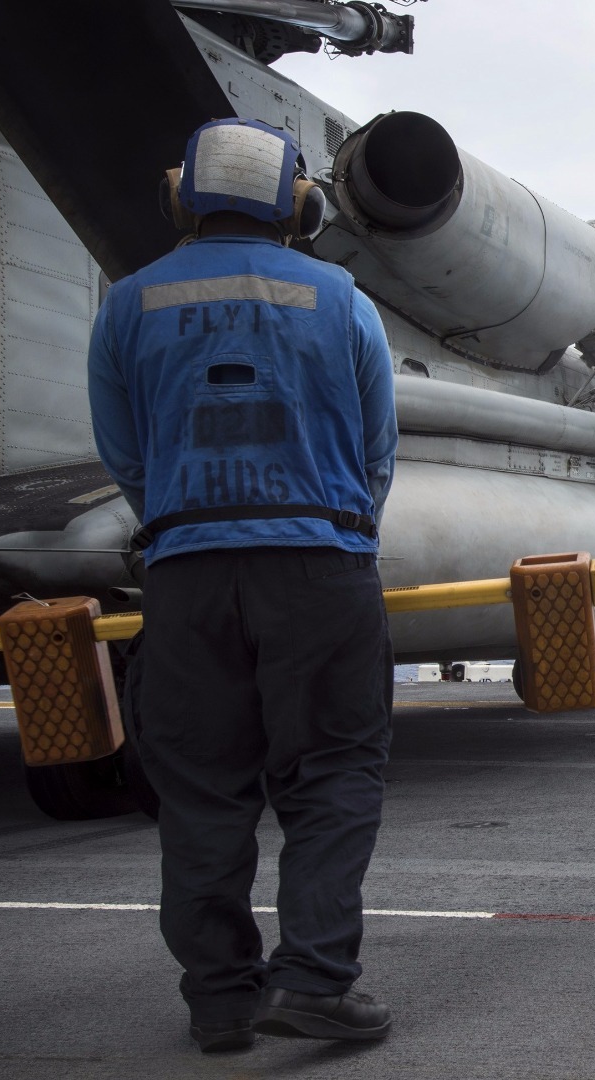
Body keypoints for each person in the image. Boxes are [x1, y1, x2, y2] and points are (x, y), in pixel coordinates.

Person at [88, 118, 399, 1052]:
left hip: (185, 571)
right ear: (298, 205)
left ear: (180, 196)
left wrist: (191, 523)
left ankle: (222, 1001)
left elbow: (126, 457)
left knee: (200, 791)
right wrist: (334, 532)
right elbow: (376, 452)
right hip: (320, 566)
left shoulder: (127, 305)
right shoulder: (342, 300)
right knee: (332, 773)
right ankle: (313, 980)